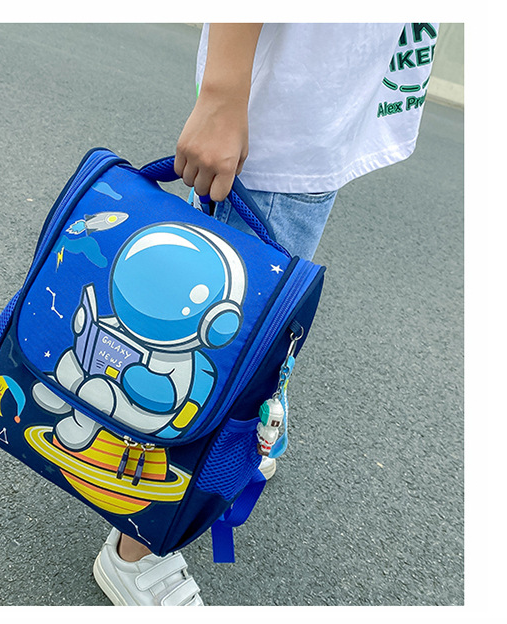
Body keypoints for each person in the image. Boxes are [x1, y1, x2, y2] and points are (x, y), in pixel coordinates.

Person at [92, 22, 439, 606]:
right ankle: (136, 549)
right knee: (221, 354)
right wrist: (222, 94)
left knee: (253, 335)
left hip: (316, 124)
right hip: (276, 132)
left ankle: (235, 438)